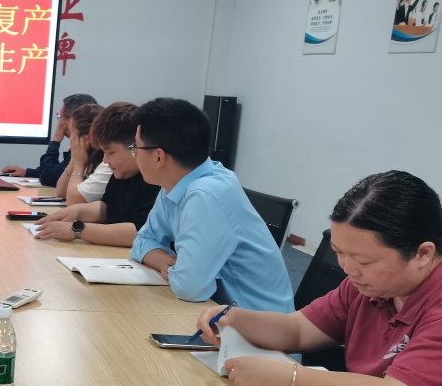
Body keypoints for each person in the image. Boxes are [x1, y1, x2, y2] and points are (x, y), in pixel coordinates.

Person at [195, 171, 442, 386]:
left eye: (364, 260)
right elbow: (300, 329)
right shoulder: (369, 285)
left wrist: (289, 379)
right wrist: (237, 320)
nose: (348, 269)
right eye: (339, 252)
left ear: (423, 254)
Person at [129, 98, 292, 312]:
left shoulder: (205, 195)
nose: (135, 154)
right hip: (219, 311)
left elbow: (189, 287)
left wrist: (180, 272)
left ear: (159, 157)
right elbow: (142, 240)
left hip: (257, 323)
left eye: (136, 147)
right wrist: (163, 261)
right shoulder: (174, 184)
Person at [35, 102, 160, 246]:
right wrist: (77, 211)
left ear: (135, 147)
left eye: (110, 152)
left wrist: (78, 230)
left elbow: (141, 231)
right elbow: (108, 208)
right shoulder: (122, 173)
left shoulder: (155, 180)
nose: (105, 160)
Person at [1, 93, 96, 187]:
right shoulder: (91, 144)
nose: (59, 120)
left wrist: (55, 142)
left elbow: (48, 177)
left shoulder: (86, 149)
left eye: (60, 115)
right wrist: (28, 172)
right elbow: (57, 171)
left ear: (71, 121)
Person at [53, 103, 112, 205]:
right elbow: (61, 192)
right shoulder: (89, 156)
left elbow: (73, 202)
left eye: (72, 134)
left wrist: (79, 164)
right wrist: (74, 159)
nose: (71, 139)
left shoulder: (107, 164)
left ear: (85, 139)